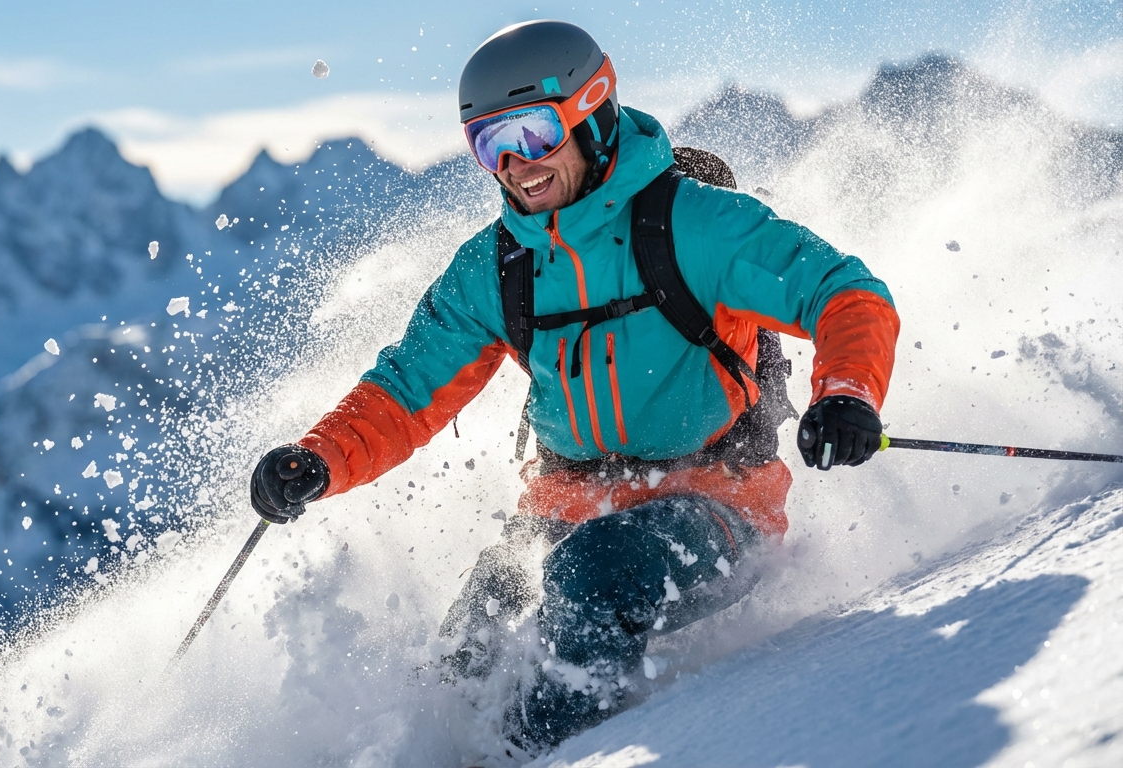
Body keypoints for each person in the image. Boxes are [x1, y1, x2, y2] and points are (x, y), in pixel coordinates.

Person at [249, 20, 899, 751]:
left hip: (719, 505)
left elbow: (844, 294)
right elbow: (408, 389)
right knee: (472, 640)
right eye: (490, 145)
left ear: (591, 112)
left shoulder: (697, 225)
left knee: (597, 571)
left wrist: (847, 392)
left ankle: (541, 754)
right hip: (565, 511)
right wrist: (321, 458)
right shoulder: (499, 267)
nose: (516, 164)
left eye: (531, 133)